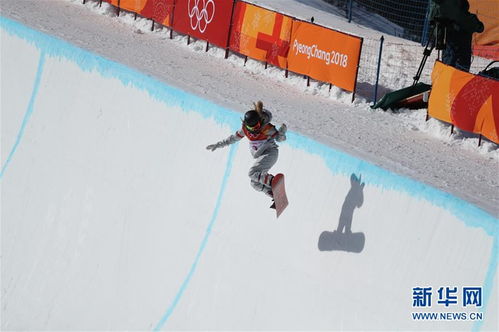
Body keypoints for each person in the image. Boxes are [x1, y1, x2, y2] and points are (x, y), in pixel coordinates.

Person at [206, 101, 287, 201]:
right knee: (254, 183)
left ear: (259, 123)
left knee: (252, 173)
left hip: (270, 153)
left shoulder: (266, 128)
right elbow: (232, 138)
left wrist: (282, 132)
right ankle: (272, 194)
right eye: (250, 128)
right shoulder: (245, 130)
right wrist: (218, 145)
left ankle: (273, 181)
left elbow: (279, 139)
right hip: (261, 155)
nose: (253, 132)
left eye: (256, 127)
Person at [429, 0, 484, 71]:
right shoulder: (455, 8)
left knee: (448, 61)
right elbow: (478, 27)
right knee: (455, 64)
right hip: (458, 47)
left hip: (444, 31)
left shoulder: (438, 6)